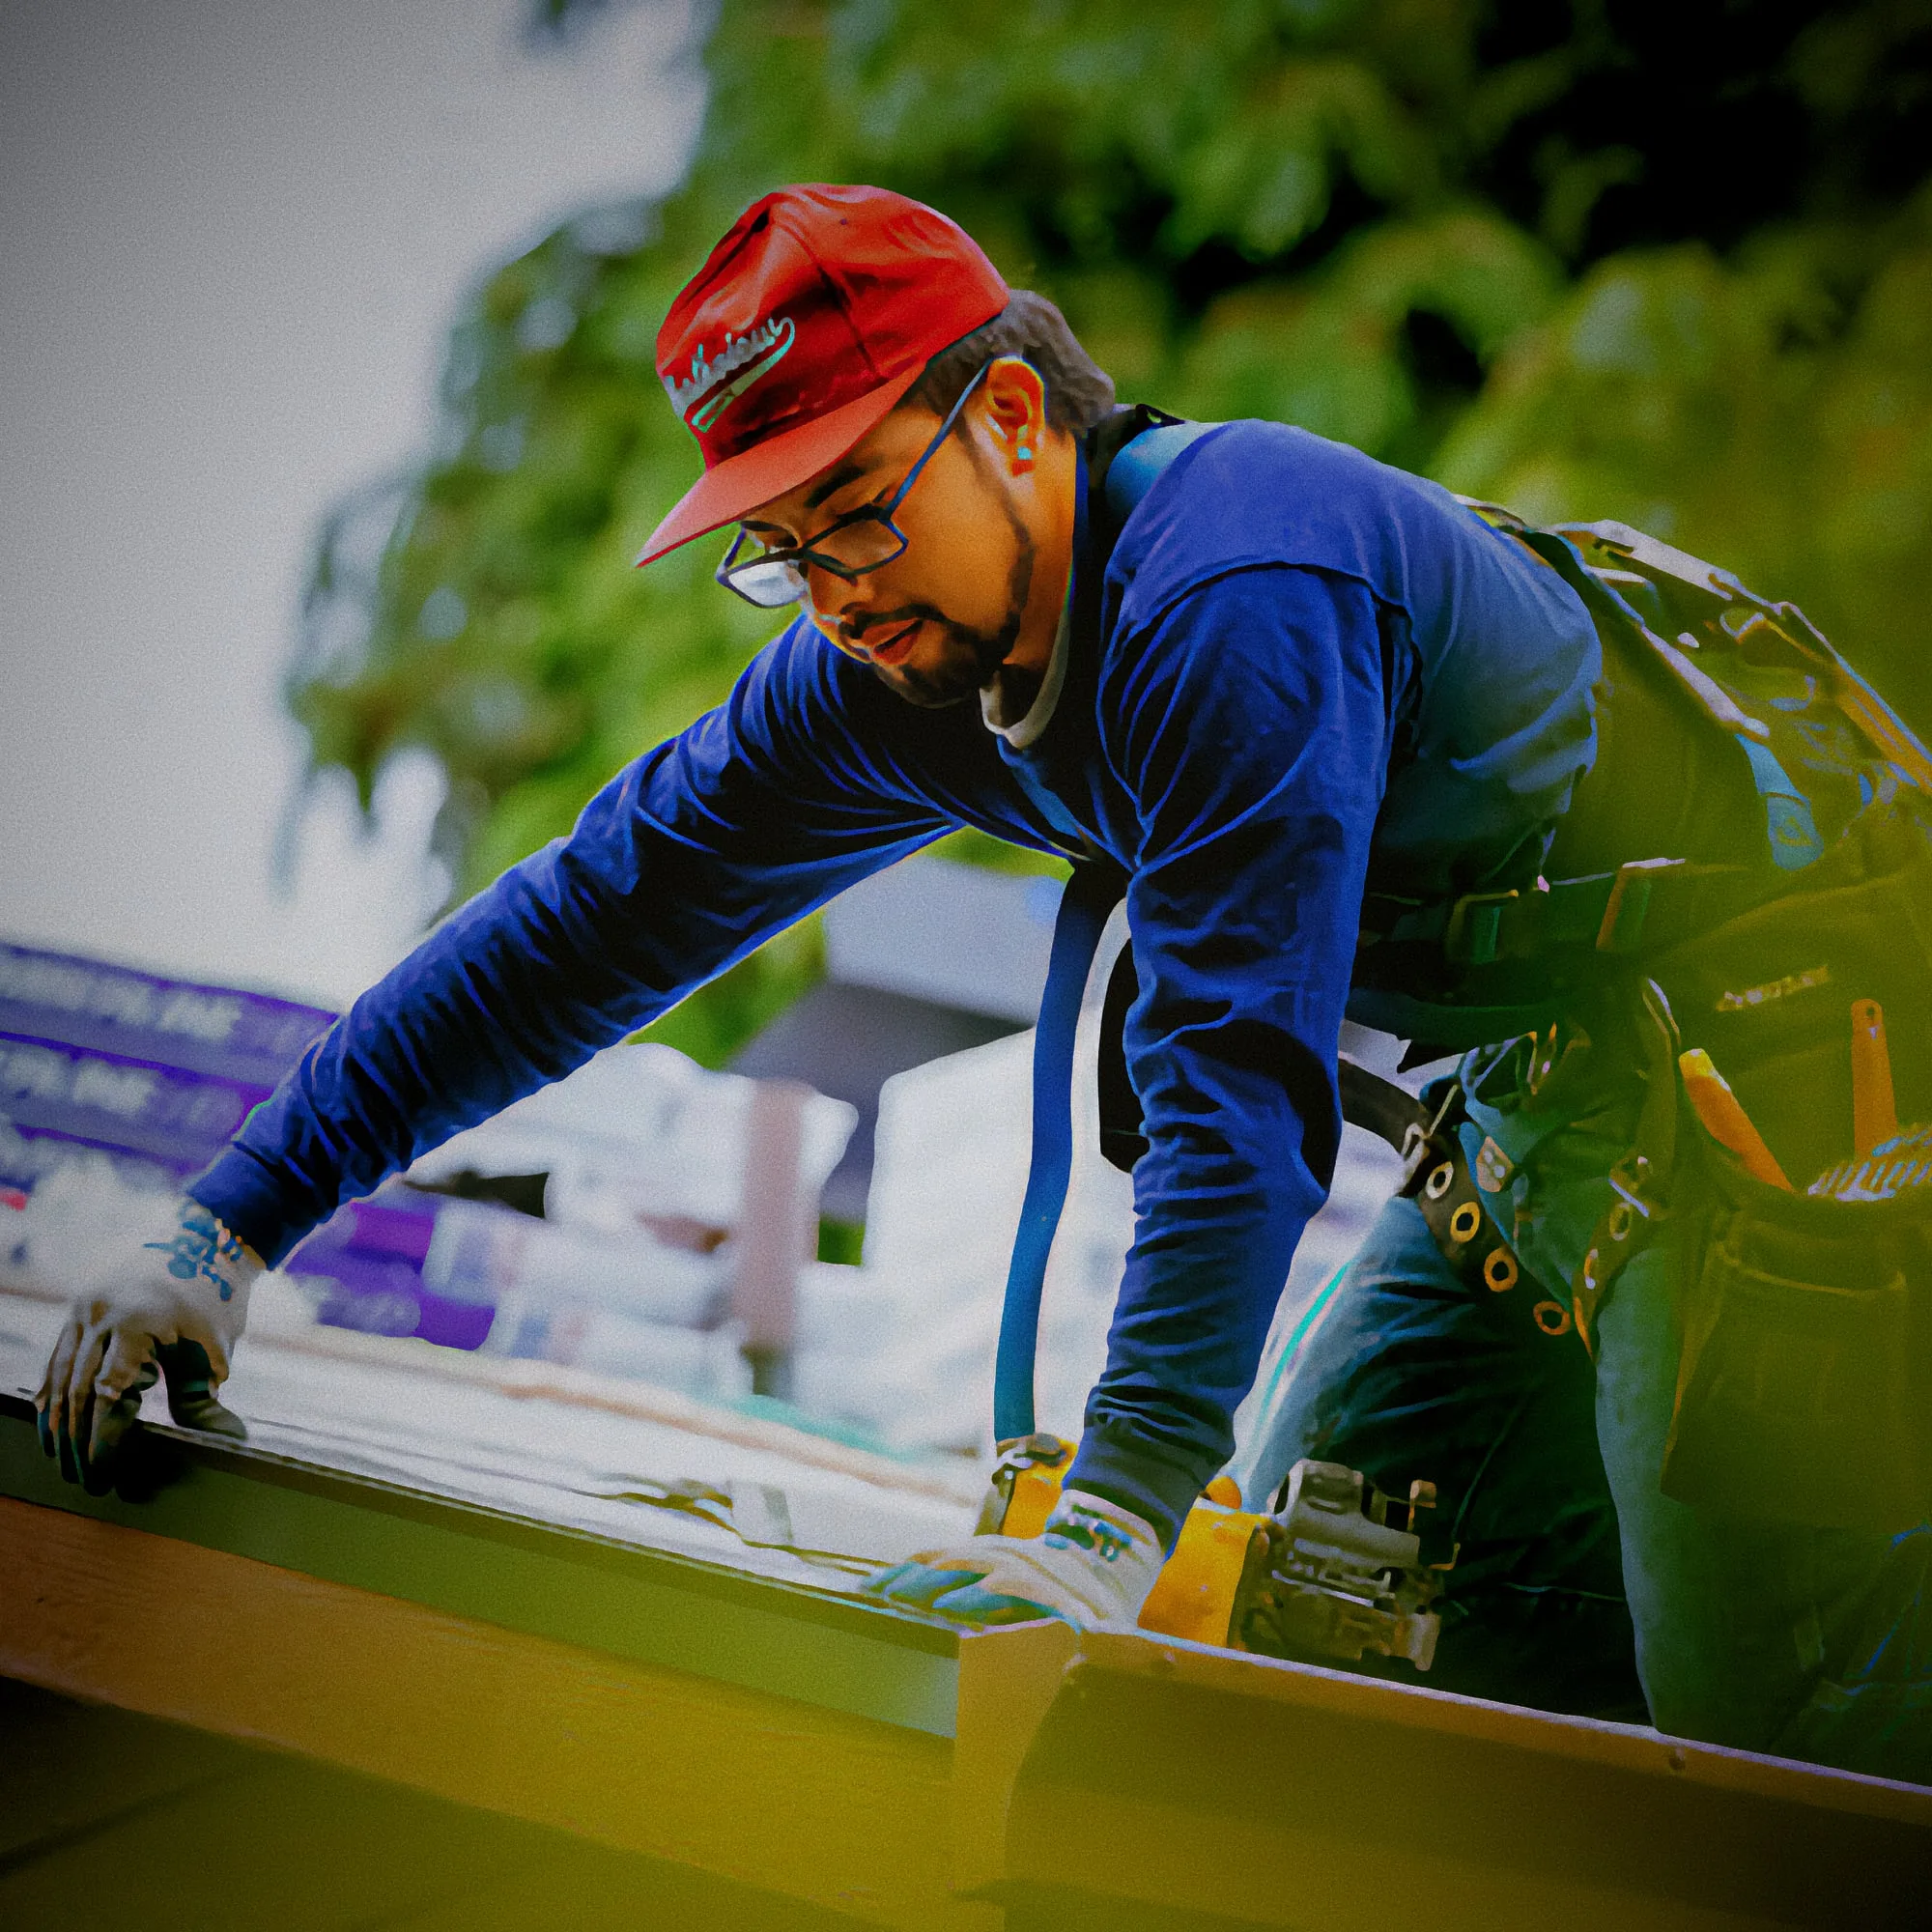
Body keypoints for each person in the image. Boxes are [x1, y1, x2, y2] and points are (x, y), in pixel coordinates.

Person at [36, 184, 1930, 1780]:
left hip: (1799, 1054)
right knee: (1350, 1623)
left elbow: (1236, 1085)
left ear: (1013, 417)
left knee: (1774, 1726)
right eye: (783, 552)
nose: (838, 586)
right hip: (1541, 1102)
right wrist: (224, 1233)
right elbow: (579, 924)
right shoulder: (891, 670)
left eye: (857, 504)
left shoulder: (1234, 583)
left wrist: (1105, 1528)